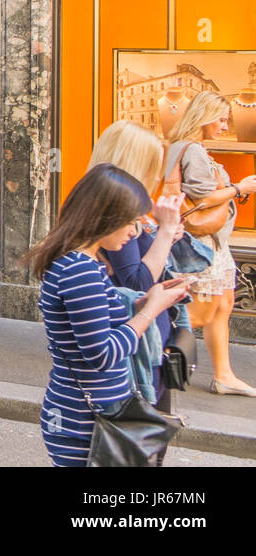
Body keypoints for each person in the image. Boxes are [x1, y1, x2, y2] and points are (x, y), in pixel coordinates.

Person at [21, 163, 191, 466]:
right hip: (85, 421)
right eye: (130, 221)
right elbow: (102, 354)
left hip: (88, 413)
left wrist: (144, 301)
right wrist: (150, 312)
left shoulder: (79, 263)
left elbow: (92, 322)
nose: (134, 232)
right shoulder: (81, 270)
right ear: (105, 217)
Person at [88, 120, 187, 423]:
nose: (158, 175)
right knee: (141, 436)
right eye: (153, 164)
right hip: (134, 340)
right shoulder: (115, 208)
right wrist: (166, 232)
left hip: (139, 336)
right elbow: (137, 281)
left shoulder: (108, 203)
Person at [166, 91, 256, 395]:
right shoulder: (190, 149)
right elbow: (202, 201)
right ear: (203, 116)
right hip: (201, 242)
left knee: (224, 305)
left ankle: (224, 375)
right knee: (203, 311)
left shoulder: (192, 148)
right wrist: (238, 187)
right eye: (219, 118)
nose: (224, 124)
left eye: (226, 118)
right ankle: (144, 343)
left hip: (214, 242)